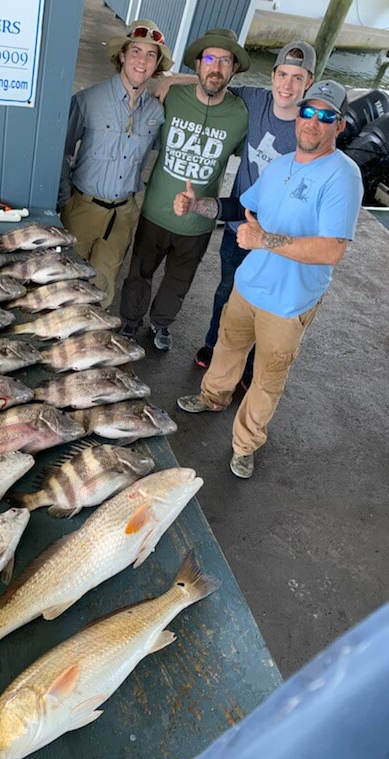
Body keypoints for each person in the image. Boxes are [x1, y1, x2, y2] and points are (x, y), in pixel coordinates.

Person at [173, 80, 363, 479]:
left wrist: (264, 240)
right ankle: (212, 397)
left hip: (289, 301)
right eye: (308, 112)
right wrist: (198, 205)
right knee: (227, 347)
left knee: (267, 379)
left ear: (339, 125)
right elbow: (240, 206)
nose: (313, 122)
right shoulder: (280, 165)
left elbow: (332, 250)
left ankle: (245, 444)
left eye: (325, 115)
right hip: (249, 285)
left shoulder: (343, 176)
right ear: (298, 116)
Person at [156, 42, 317, 386]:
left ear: (309, 82)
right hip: (237, 226)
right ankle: (213, 344)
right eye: (283, 75)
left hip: (277, 239)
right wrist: (174, 79)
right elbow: (213, 83)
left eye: (297, 78)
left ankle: (248, 365)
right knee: (226, 292)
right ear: (272, 75)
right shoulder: (254, 99)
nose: (287, 86)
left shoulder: (309, 125)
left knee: (265, 305)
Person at [117, 28, 250, 352]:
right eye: (209, 58)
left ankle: (161, 323)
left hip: (199, 221)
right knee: (139, 272)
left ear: (233, 69)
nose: (215, 67)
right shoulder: (172, 97)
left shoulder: (240, 114)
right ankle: (130, 322)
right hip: (156, 211)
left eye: (224, 61)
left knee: (179, 281)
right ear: (197, 65)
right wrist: (173, 80)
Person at [58, 20, 173, 309]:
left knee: (102, 287)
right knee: (64, 281)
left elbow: (209, 87)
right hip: (82, 207)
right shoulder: (88, 100)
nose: (142, 61)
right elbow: (61, 151)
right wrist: (65, 200)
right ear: (122, 55)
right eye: (135, 51)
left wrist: (174, 81)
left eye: (151, 55)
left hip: (123, 215)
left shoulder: (158, 112)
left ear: (157, 64)